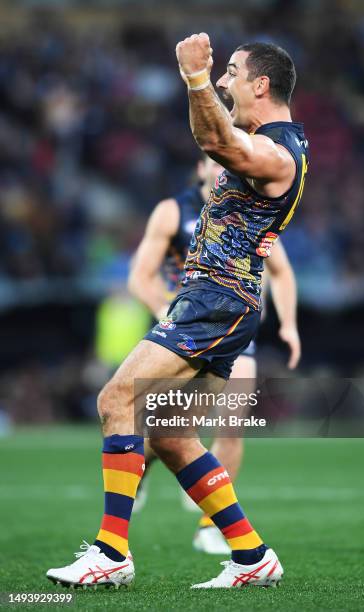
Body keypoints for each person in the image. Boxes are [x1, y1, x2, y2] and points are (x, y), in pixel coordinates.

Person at [47, 35, 309, 589]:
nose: (223, 80)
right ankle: (251, 556)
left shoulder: (280, 153)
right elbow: (219, 138)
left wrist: (193, 77)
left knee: (117, 397)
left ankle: (111, 552)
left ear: (260, 84)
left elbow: (215, 137)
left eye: (232, 72)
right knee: (168, 434)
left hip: (215, 302)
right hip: (219, 301)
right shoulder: (271, 143)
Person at [129, 155, 301, 555]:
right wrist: (167, 315)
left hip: (235, 329)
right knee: (167, 431)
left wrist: (288, 324)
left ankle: (210, 526)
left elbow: (281, 271)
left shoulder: (251, 209)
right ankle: (141, 469)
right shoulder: (173, 211)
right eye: (215, 161)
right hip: (186, 330)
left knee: (232, 425)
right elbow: (140, 275)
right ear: (201, 168)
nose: (223, 168)